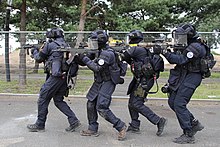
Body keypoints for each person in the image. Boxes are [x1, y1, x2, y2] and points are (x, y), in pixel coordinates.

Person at [154, 23, 205, 144]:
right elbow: (178, 56)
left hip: (194, 76)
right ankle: (193, 123)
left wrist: (164, 52)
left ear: (189, 36)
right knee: (172, 101)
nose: (178, 38)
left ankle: (188, 134)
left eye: (181, 36)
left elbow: (181, 60)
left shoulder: (196, 47)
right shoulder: (187, 45)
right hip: (185, 74)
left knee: (179, 103)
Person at [75, 30, 127, 141]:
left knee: (102, 107)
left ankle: (120, 126)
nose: (91, 43)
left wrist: (84, 57)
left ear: (100, 41)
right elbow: (85, 61)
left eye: (93, 41)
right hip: (99, 80)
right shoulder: (98, 50)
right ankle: (92, 128)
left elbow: (96, 67)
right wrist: (79, 55)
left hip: (108, 81)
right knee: (90, 103)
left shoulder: (107, 53)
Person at [27, 28, 81, 132]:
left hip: (55, 77)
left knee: (43, 98)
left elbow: (39, 58)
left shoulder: (50, 44)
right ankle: (73, 120)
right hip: (64, 76)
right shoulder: (66, 44)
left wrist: (34, 51)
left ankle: (40, 124)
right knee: (58, 100)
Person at [119, 30, 167, 136]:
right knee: (132, 102)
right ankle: (135, 125)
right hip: (142, 80)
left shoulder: (137, 49)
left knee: (136, 103)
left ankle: (158, 121)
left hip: (143, 82)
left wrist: (118, 49)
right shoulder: (142, 49)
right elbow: (131, 61)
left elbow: (123, 56)